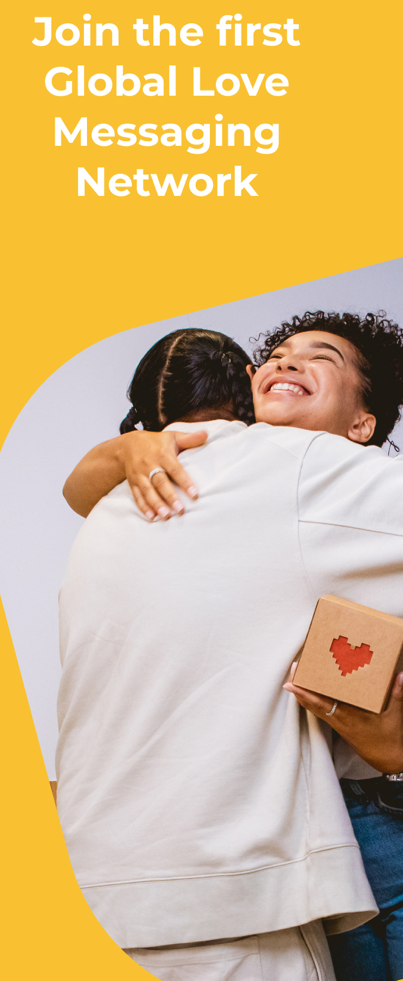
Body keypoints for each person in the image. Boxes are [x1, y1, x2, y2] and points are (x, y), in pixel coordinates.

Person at [62, 312, 403, 981]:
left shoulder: (329, 480)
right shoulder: (233, 479)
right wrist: (123, 450)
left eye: (320, 356)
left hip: (347, 823)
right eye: (273, 355)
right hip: (281, 841)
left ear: (363, 426)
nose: (284, 362)